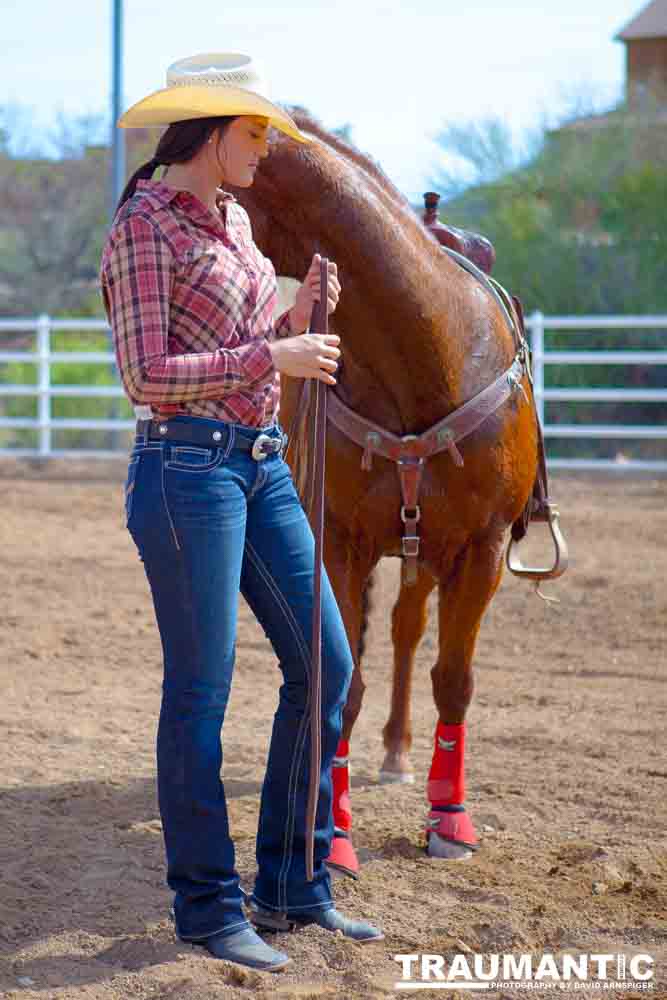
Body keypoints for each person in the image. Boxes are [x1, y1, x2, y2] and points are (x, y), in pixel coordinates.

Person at [100, 53, 383, 973]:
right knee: (201, 693)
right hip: (185, 474)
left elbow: (244, 338)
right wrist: (276, 356)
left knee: (326, 667)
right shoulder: (145, 225)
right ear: (211, 132)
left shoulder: (237, 220)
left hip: (257, 470)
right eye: (255, 132)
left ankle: (295, 884)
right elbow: (145, 376)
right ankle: (208, 907)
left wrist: (293, 313)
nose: (265, 148)